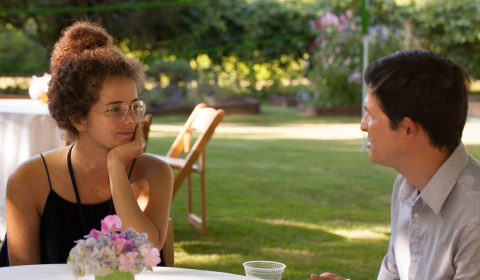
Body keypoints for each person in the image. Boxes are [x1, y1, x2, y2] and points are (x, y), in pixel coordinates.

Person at [0, 21, 173, 266]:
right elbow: (22, 275)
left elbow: (147, 253)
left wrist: (115, 166)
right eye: (115, 109)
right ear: (78, 118)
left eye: (135, 106)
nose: (132, 119)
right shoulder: (28, 180)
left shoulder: (155, 173)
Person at [311, 50, 480, 279]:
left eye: (370, 115)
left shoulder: (474, 218)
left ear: (408, 129)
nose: (363, 125)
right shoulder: (407, 184)